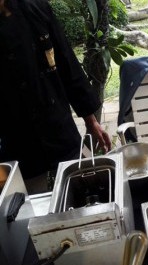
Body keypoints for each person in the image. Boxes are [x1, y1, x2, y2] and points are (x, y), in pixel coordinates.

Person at [0, 0, 112, 194]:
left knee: (82, 191)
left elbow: (66, 62)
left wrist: (90, 120)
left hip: (56, 122)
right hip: (17, 136)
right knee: (29, 208)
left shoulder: (36, 7)